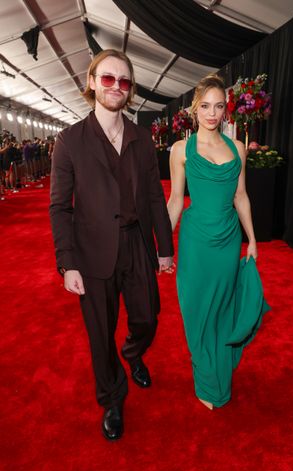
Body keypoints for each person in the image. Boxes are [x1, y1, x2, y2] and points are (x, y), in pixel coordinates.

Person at [49, 49, 174, 440]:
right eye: (107, 79)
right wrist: (67, 262)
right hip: (90, 252)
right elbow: (59, 207)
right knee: (100, 333)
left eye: (123, 81)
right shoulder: (69, 141)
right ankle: (112, 398)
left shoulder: (141, 138)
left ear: (130, 89)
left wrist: (165, 247)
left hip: (136, 242)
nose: (116, 87)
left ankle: (133, 354)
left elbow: (155, 196)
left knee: (148, 318)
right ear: (91, 82)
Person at [167, 73, 270, 410]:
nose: (212, 113)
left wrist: (252, 239)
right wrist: (163, 246)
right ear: (195, 110)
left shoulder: (237, 148)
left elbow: (241, 196)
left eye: (218, 106)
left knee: (222, 309)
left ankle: (218, 372)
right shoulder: (181, 150)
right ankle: (205, 378)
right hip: (195, 242)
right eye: (205, 106)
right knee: (195, 310)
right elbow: (176, 200)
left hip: (228, 240)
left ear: (226, 110)